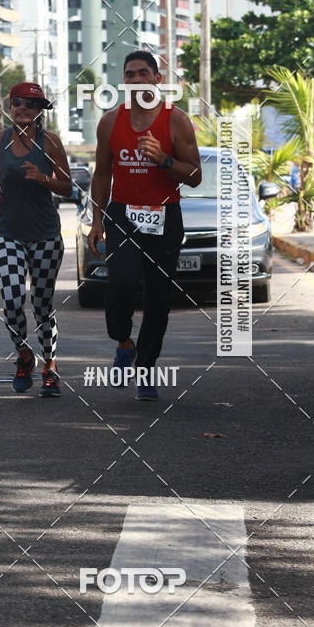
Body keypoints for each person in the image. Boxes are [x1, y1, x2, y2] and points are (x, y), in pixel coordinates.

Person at [88, 51, 202, 401]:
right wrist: (97, 219)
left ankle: (147, 367)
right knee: (120, 283)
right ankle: (124, 342)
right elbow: (102, 173)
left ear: (157, 78)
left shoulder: (176, 120)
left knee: (158, 298)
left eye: (142, 73)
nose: (136, 80)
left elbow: (195, 175)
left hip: (165, 215)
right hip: (122, 214)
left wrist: (164, 159)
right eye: (130, 74)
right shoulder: (110, 121)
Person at [0, 82, 73, 397]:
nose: (24, 108)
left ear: (39, 111)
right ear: (10, 105)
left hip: (45, 235)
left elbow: (68, 187)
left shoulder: (50, 143)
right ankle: (23, 355)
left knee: (42, 305)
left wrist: (45, 179)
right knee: (11, 299)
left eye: (32, 104)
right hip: (8, 233)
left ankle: (50, 365)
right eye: (18, 102)